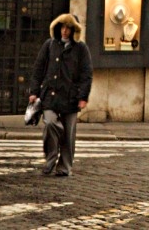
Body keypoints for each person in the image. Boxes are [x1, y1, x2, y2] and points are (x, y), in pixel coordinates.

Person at [29, 13, 92, 177]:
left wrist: (83, 97)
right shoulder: (49, 45)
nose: (65, 31)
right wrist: (34, 92)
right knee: (50, 123)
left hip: (71, 97)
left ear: (73, 31)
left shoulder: (81, 48)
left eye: (68, 28)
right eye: (63, 27)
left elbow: (86, 74)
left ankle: (64, 167)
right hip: (50, 95)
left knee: (69, 136)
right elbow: (38, 69)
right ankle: (50, 159)